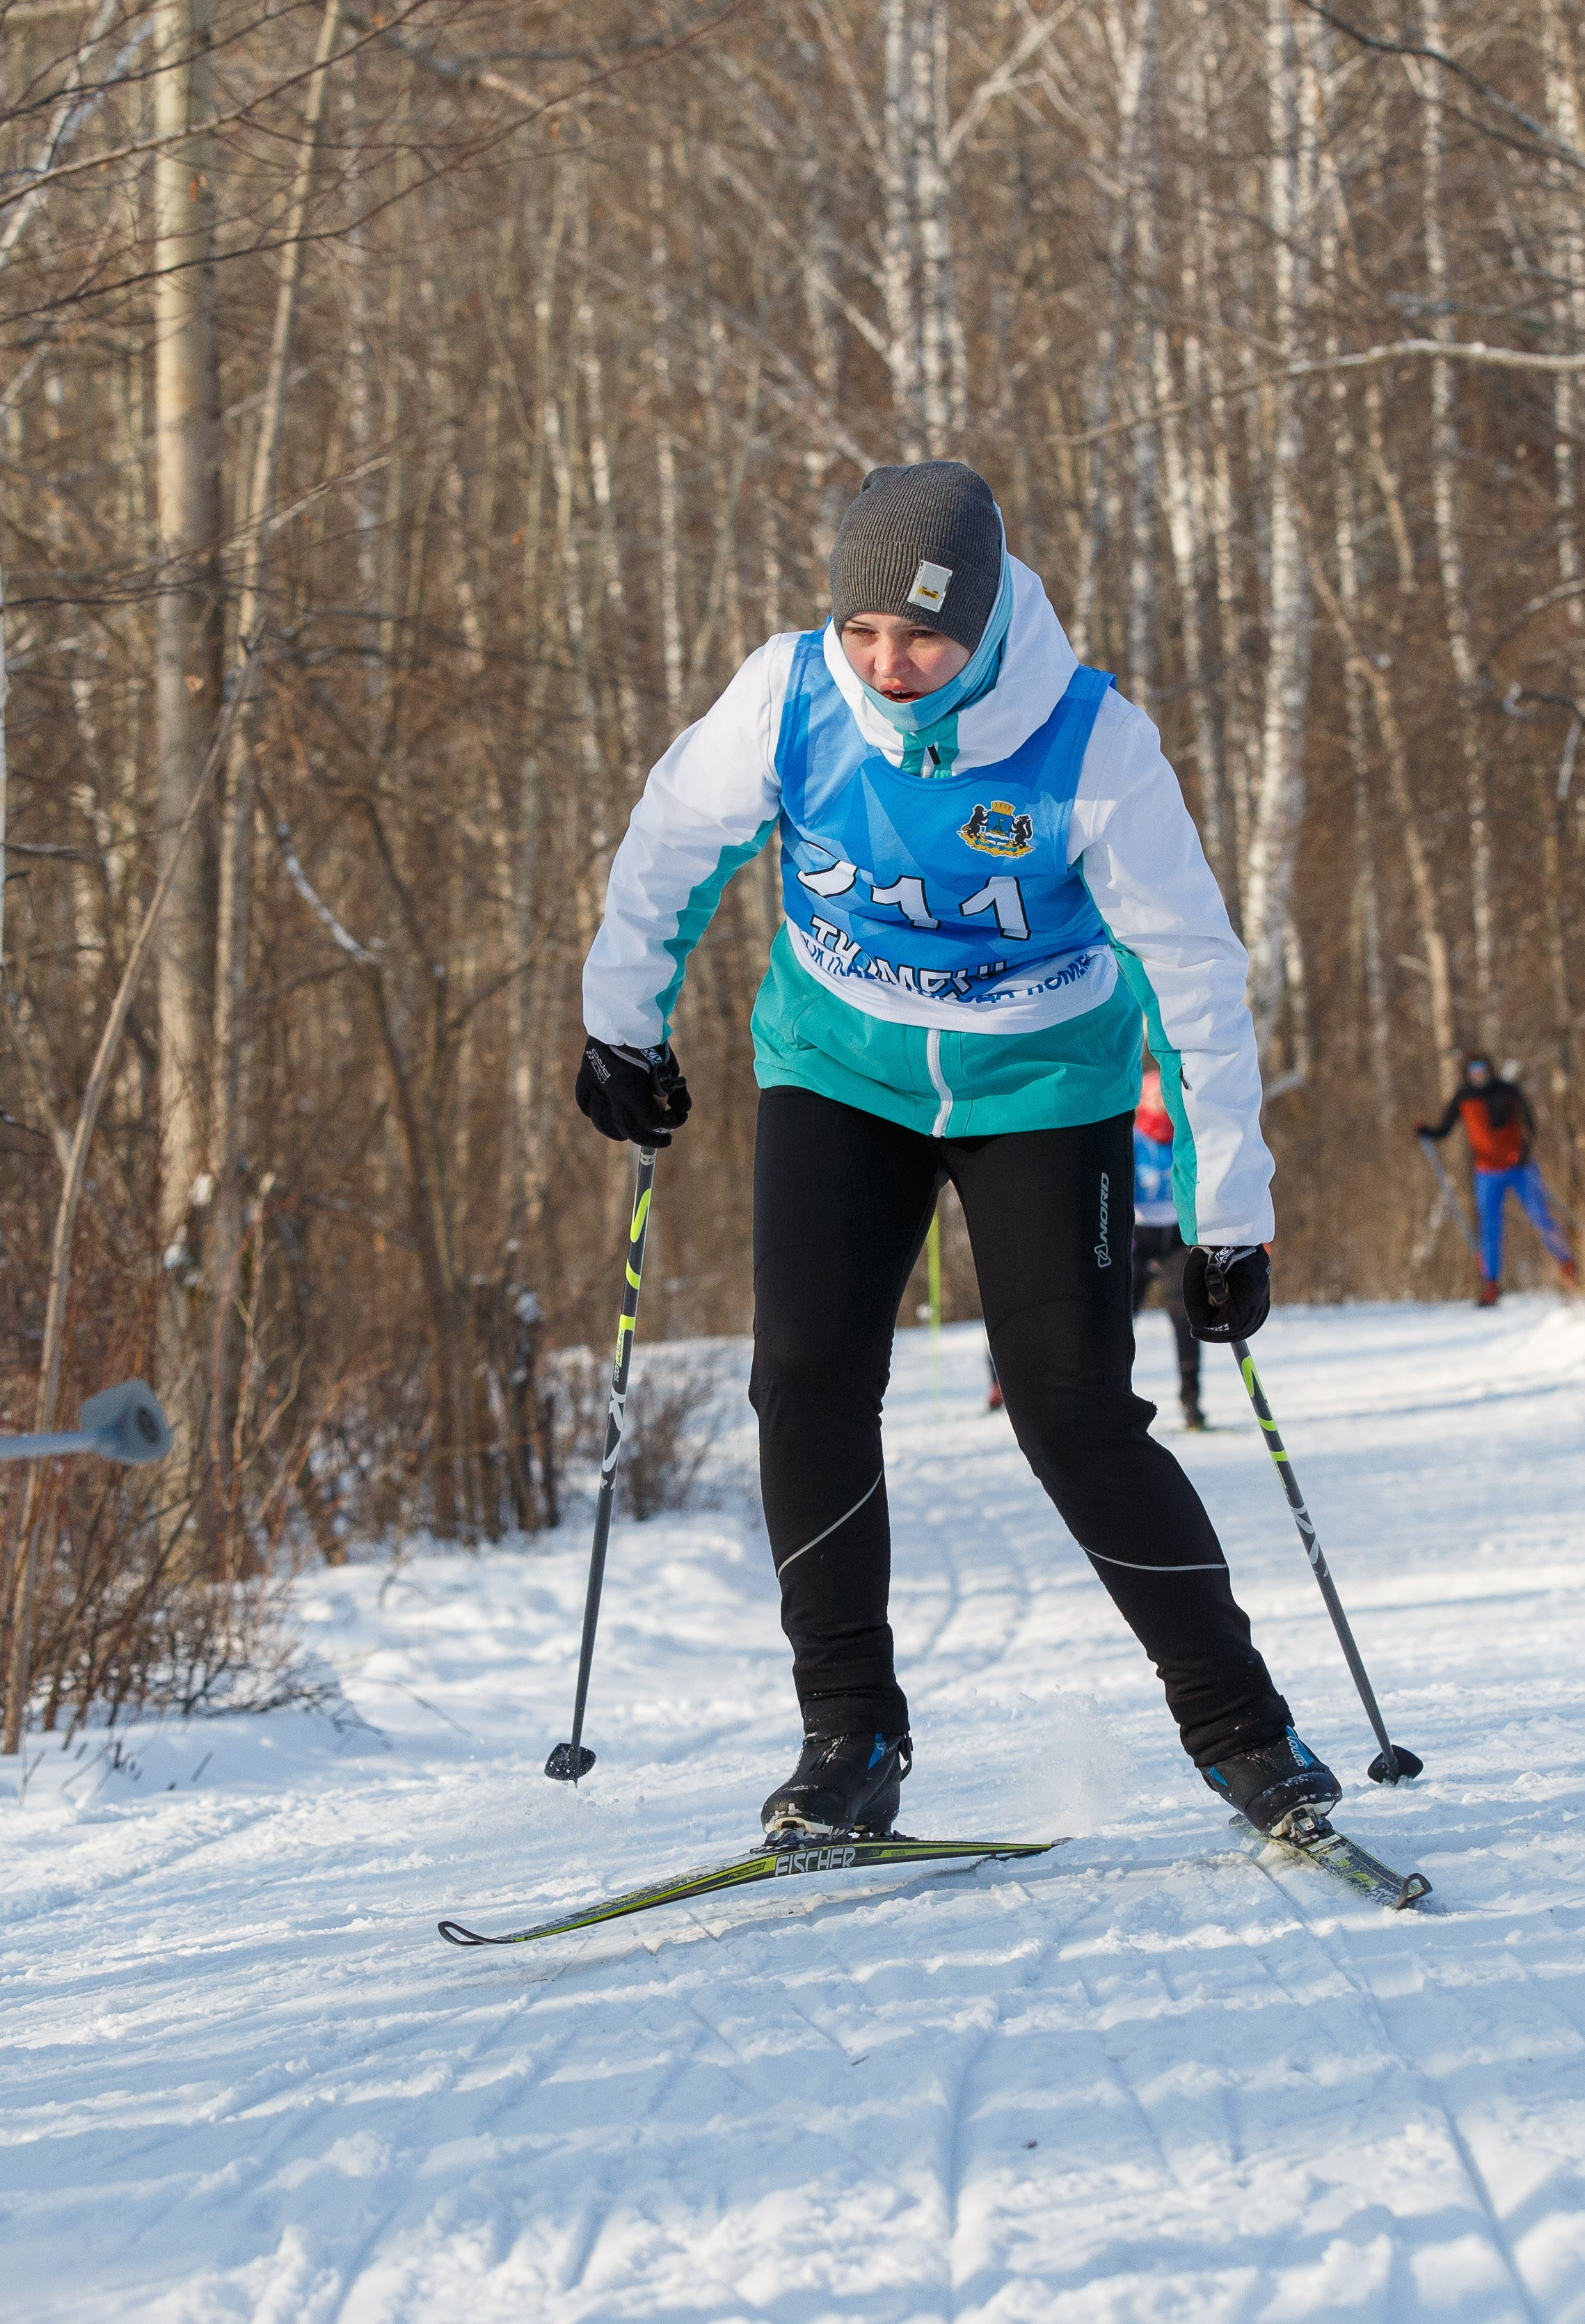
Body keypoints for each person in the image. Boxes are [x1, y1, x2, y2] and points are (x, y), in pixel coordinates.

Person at [577, 459, 1339, 1846]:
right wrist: (618, 1025)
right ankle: (847, 1735)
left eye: (920, 635)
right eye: (864, 631)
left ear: (984, 620)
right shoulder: (790, 695)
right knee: (803, 1377)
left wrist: (1230, 1214)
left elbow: (1195, 979)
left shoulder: (1088, 742)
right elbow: (666, 842)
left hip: (1042, 1081)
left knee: (1069, 1412)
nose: (889, 663)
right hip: (839, 1068)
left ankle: (1243, 1732)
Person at [1417, 1055, 1575, 1305]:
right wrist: (1427, 1132)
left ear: (1490, 1069)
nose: (1478, 1073)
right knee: (1489, 1229)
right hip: (1487, 1173)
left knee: (1539, 1215)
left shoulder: (1507, 1091)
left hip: (1520, 1168)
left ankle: (1567, 1263)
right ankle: (1491, 1284)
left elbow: (1529, 1125)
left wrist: (1524, 1152)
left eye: (1482, 1068)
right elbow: (1445, 1129)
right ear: (1466, 1072)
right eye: (1473, 1069)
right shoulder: (1464, 1097)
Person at [1133, 1067, 1204, 1430]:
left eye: (1165, 1096)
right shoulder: (1131, 1139)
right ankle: (1110, 1396)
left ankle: (1191, 1400)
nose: (1160, 1103)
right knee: (1118, 1316)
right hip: (1138, 1235)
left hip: (1176, 1236)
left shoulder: (1183, 1136)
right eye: (1153, 1096)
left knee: (1185, 1314)